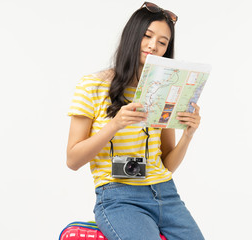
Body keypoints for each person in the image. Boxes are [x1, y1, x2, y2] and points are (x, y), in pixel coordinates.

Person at [66, 2, 205, 240]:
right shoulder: (92, 85)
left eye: (163, 42)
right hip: (119, 198)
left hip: (167, 196)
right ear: (132, 36)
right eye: (147, 36)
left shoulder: (163, 90)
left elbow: (167, 164)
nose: (153, 46)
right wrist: (115, 124)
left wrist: (188, 135)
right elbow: (72, 159)